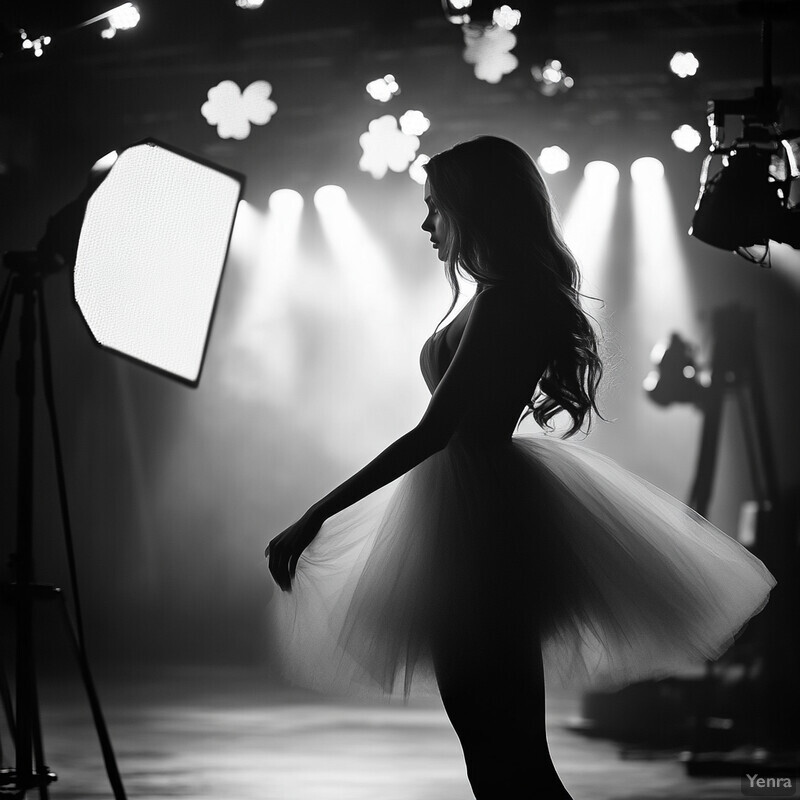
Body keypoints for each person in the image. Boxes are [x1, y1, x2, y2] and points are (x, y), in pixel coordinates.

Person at [265, 136, 776, 799]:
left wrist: (316, 516)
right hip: (472, 512)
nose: (427, 225)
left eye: (436, 208)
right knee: (494, 749)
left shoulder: (510, 298)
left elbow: (437, 430)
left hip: (484, 526)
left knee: (507, 751)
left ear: (475, 207)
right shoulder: (500, 294)